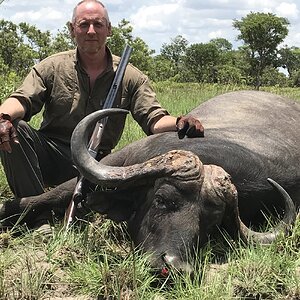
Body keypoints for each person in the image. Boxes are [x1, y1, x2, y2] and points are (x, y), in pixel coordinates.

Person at [0, 0, 204, 226]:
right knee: (15, 129)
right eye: (83, 24)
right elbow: (21, 99)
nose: (90, 31)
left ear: (109, 29)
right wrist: (4, 117)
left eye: (98, 24)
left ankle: (74, 205)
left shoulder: (130, 76)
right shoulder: (52, 67)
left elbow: (154, 120)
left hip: (100, 162)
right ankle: (39, 220)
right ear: (71, 29)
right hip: (53, 154)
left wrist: (180, 122)